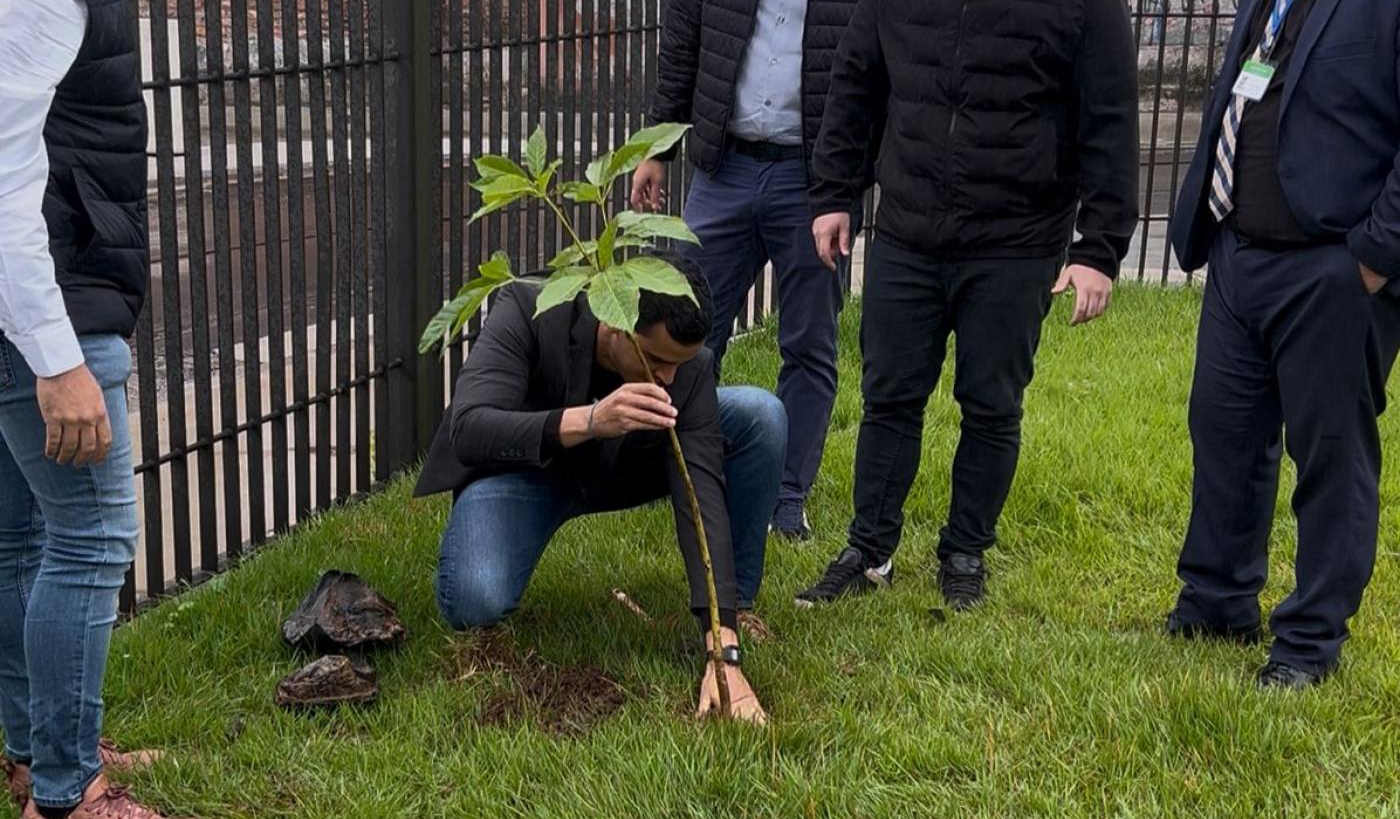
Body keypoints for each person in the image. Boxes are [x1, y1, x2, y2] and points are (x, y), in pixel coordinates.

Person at [795, 0, 1139, 611]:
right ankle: (870, 550)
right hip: (908, 227)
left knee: (991, 405)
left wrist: (1099, 250)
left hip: (1018, 239)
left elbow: (1110, 116)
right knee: (889, 396)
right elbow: (855, 80)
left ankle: (964, 553)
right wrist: (834, 192)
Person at [414, 255, 786, 724]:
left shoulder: (683, 367)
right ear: (613, 324)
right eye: (655, 361)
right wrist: (590, 421)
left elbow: (701, 491)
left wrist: (723, 647)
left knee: (760, 415)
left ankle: (740, 606)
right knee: (475, 598)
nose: (668, 379)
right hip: (525, 471)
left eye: (680, 364)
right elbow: (467, 429)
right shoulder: (529, 307)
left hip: (623, 466)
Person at [1167, 0, 1400, 689]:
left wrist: (1373, 257)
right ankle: (1217, 600)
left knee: (1331, 456)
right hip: (1241, 255)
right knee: (1223, 431)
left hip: (1333, 268)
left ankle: (1307, 640)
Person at [0, 1, 172, 817]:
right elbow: (2, 169)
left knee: (19, 539)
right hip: (50, 306)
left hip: (31, 301)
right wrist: (56, 353)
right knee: (93, 536)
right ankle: (68, 795)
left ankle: (39, 753)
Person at [633, 0, 870, 541]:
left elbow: (879, 74)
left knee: (809, 343)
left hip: (814, 182)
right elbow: (683, 48)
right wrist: (657, 146)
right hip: (725, 171)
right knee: (686, 331)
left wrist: (849, 180)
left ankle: (784, 497)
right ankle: (681, 470)